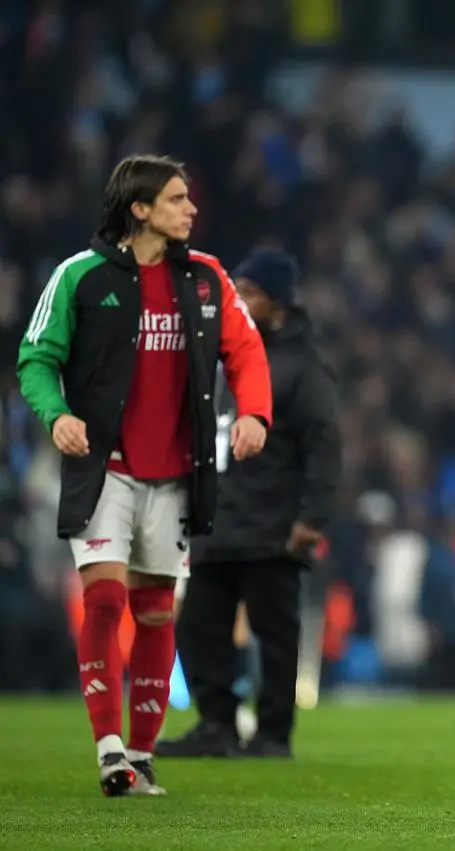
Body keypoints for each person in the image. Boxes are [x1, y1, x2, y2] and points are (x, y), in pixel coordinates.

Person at [14, 154, 272, 796]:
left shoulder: (208, 279)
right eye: (178, 199)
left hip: (177, 473)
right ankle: (108, 750)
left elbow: (246, 350)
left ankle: (141, 755)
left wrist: (256, 415)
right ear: (140, 209)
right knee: (104, 597)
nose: (191, 209)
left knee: (156, 613)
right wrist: (56, 416)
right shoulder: (80, 276)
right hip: (106, 467)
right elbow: (36, 358)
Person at [156, 248, 340, 759]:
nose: (235, 298)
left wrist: (311, 519)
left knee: (275, 633)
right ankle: (216, 723)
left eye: (250, 291)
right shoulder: (223, 354)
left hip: (273, 525)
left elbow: (324, 447)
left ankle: (272, 734)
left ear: (278, 304)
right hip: (217, 517)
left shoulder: (304, 368)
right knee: (199, 625)